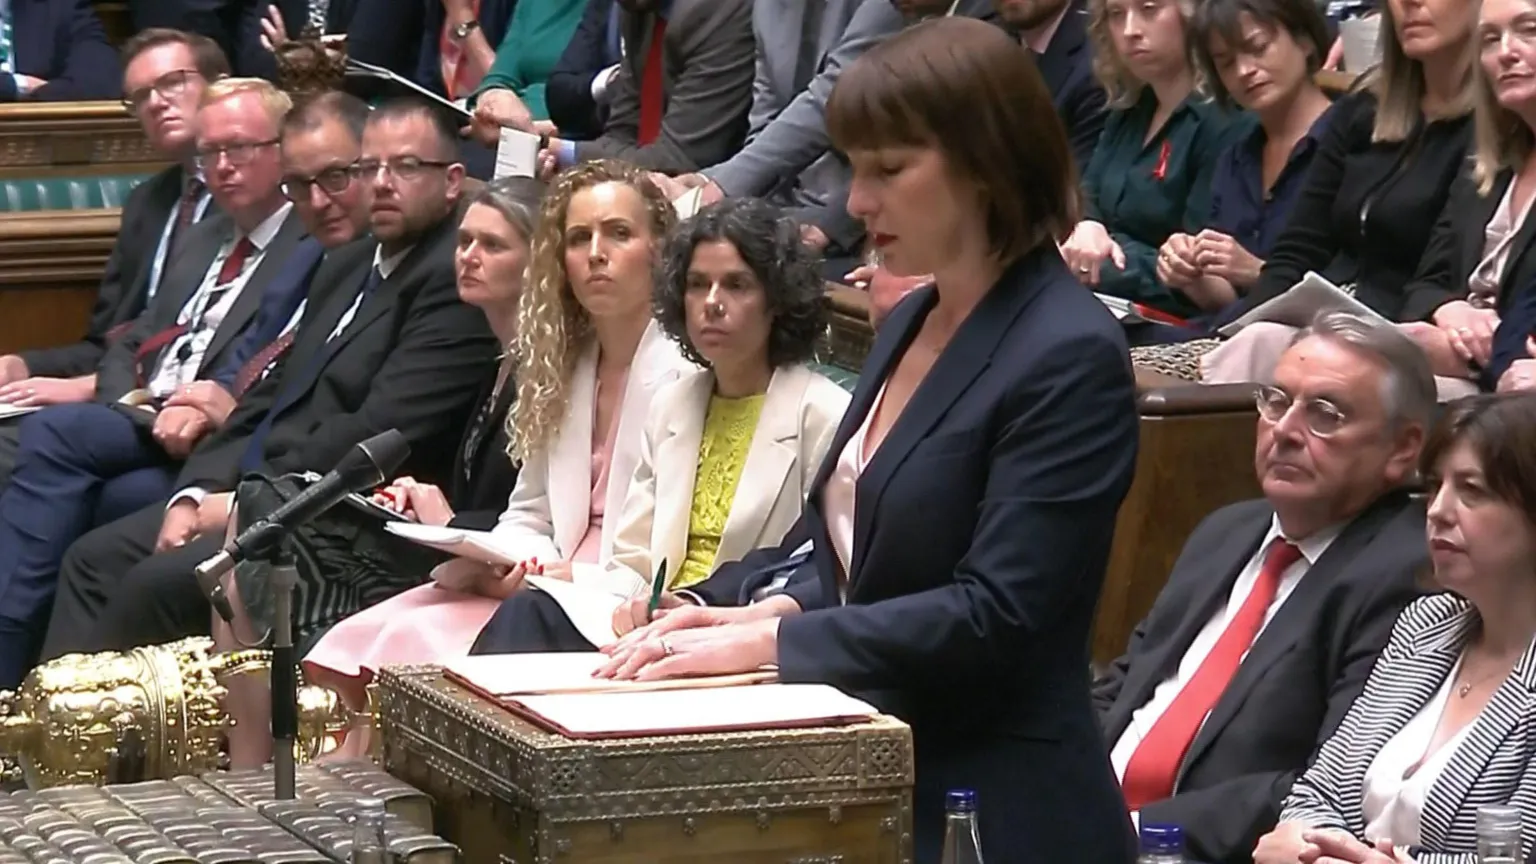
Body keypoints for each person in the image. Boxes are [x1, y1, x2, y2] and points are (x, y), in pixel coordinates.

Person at [595, 19, 1140, 862]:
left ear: (987, 163)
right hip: (873, 767)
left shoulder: (1068, 352)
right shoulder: (912, 319)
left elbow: (999, 616)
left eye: (889, 169)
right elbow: (854, 541)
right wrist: (765, 604)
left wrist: (775, 643)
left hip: (993, 805)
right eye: (854, 167)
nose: (855, 201)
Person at [37, 97, 500, 658]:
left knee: (150, 588)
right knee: (94, 558)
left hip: (338, 517)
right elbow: (267, 396)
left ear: (452, 181)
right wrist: (195, 491)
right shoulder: (349, 262)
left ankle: (101, 733)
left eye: (404, 167)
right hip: (258, 492)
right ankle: (49, 727)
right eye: (368, 167)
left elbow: (383, 432)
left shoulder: (453, 279)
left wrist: (242, 503)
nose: (380, 183)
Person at [292, 159, 693, 710]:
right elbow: (528, 512)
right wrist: (511, 560)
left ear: (659, 249)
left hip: (610, 597)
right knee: (378, 632)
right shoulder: (567, 364)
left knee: (416, 647)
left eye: (619, 234)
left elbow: (671, 549)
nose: (596, 252)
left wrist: (554, 576)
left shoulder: (687, 371)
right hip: (542, 578)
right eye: (579, 238)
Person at [0, 77, 312, 688]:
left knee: (50, 434)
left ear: (283, 150)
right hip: (139, 414)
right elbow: (132, 336)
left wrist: (201, 405)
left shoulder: (308, 242)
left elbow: (276, 356)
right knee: (89, 480)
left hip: (203, 427)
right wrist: (127, 397)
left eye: (240, 149)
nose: (221, 167)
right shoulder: (204, 236)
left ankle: (13, 661)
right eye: (209, 153)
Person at [220, 177, 542, 768]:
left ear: (539, 261)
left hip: (495, 563)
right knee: (260, 510)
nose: (468, 257)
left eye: (492, 246)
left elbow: (532, 508)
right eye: (465, 241)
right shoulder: (498, 357)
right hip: (455, 545)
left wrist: (452, 519)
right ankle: (255, 759)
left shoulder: (544, 371)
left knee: (270, 521)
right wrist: (421, 495)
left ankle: (266, 756)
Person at [1095, 311, 1432, 864]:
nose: (1286, 430)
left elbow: (1323, 785)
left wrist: (1124, 828)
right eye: (1276, 401)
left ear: (1403, 448)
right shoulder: (1227, 529)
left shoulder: (1405, 574)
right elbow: (1122, 689)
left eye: (1325, 414)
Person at [470, 197, 850, 651]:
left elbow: (815, 573)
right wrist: (639, 603)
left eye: (736, 285)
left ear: (777, 300)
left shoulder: (825, 414)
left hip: (735, 632)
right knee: (529, 611)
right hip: (643, 620)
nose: (712, 303)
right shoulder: (675, 402)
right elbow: (632, 559)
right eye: (696, 284)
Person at [1256, 393, 1536, 864]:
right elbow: (1318, 790)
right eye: (1435, 487)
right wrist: (1315, 848)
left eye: (1472, 490)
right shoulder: (1426, 625)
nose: (1438, 511)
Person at [1199, 0, 1477, 382]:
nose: (1408, 4)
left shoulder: (1494, 130)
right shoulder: (1362, 111)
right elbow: (1299, 247)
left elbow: (1442, 273)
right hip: (1333, 320)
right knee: (1251, 342)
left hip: (1412, 339)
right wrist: (1242, 325)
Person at [0, 30, 227, 421]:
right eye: (140, 96)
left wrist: (88, 388)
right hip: (124, 393)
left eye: (172, 82)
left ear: (220, 87)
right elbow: (107, 342)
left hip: (190, 406)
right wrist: (25, 364)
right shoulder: (149, 202)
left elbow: (213, 341)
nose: (156, 103)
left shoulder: (254, 196)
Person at [1060, 0, 1241, 317]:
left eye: (1149, 9)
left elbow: (1196, 267)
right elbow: (1088, 192)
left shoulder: (1223, 121)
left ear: (1190, 15)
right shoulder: (1130, 106)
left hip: (1169, 319)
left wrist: (1105, 257)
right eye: (1116, 15)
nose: (1130, 31)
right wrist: (1088, 224)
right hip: (1102, 298)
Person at [1155, 0, 1334, 315]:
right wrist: (1190, 273)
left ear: (1304, 40)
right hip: (1228, 333)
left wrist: (1259, 273)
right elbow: (1225, 297)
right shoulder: (1236, 157)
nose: (1244, 71)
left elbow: (1361, 289)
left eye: (1258, 48)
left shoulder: (1350, 143)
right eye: (1225, 62)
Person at [1408, 0, 1536, 393]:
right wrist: (1449, 309)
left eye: (1528, 30)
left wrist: (1468, 356)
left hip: (1501, 382)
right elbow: (1424, 283)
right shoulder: (1487, 165)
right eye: (1490, 40)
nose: (1506, 52)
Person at [478, 0, 755, 176]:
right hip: (643, 183)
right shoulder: (637, 8)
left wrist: (556, 149)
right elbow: (622, 133)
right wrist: (542, 145)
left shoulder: (717, 11)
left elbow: (676, 160)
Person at [1, 0, 118, 101]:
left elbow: (100, 83)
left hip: (35, 123)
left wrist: (42, 93)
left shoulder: (58, 6)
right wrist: (18, 85)